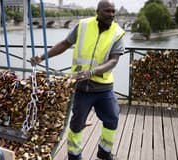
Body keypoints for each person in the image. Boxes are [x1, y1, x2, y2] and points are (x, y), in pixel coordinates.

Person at [31, 0, 125, 159]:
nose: (111, 14)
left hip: (104, 87)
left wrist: (93, 71)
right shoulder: (83, 25)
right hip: (81, 87)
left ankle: (104, 151)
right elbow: (64, 44)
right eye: (107, 11)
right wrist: (42, 57)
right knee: (77, 124)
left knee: (112, 118)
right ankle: (74, 156)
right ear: (98, 11)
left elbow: (114, 61)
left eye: (113, 11)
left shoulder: (118, 32)